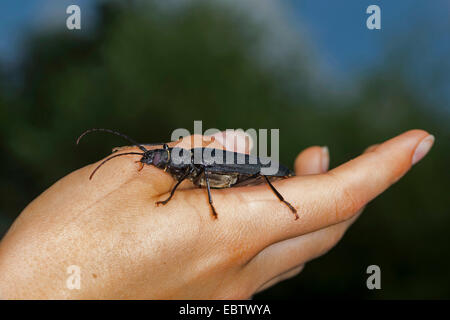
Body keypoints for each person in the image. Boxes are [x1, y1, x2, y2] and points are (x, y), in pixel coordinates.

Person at [0, 129, 434, 299]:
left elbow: (197, 176)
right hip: (240, 171)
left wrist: (196, 203)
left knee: (236, 175)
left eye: (155, 159)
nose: (155, 163)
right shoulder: (179, 162)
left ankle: (280, 198)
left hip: (257, 174)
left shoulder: (193, 166)